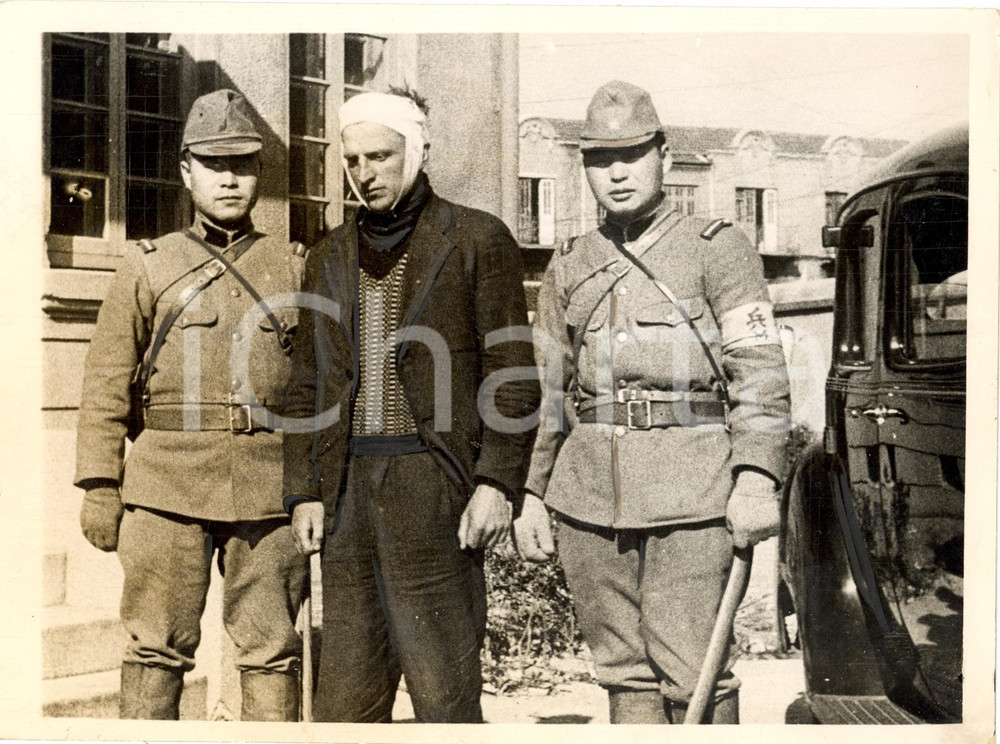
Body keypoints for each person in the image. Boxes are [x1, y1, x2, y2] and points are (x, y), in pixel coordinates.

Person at [515, 80, 791, 725]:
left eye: (632, 153)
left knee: (694, 671)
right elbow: (543, 386)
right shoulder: (571, 261)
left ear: (663, 154)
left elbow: (758, 368)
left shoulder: (717, 249)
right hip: (586, 499)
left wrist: (755, 478)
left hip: (691, 494)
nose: (615, 173)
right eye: (598, 159)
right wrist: (530, 490)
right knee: (621, 672)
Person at [282, 89, 539, 723]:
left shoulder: (477, 238)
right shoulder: (328, 254)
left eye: (380, 156)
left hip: (434, 488)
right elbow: (307, 381)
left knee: (444, 698)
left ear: (418, 152)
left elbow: (512, 374)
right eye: (352, 159)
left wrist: (496, 483)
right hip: (347, 497)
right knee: (346, 703)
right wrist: (304, 491)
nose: (364, 173)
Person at [74, 89, 309, 721]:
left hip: (268, 493)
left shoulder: (293, 267)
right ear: (186, 172)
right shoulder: (149, 267)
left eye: (244, 163)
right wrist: (100, 482)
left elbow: (323, 387)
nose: (230, 178)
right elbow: (105, 381)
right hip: (164, 489)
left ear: (259, 172)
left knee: (272, 651)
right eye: (214, 163)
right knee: (155, 650)